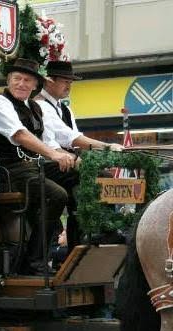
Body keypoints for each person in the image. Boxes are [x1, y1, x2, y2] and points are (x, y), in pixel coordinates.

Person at [0, 58, 76, 275]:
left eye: (27, 80)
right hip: (7, 171)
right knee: (56, 194)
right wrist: (53, 154)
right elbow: (20, 135)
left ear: (35, 85)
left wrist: (74, 159)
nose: (21, 84)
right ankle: (35, 262)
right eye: (17, 79)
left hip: (32, 167)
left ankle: (77, 245)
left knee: (75, 177)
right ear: (8, 80)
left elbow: (52, 142)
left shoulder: (34, 107)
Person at [35, 60, 123, 250]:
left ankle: (85, 237)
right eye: (64, 81)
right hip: (45, 164)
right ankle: (102, 229)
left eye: (71, 82)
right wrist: (107, 147)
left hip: (65, 161)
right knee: (98, 176)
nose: (69, 86)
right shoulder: (40, 106)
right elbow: (70, 139)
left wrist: (96, 156)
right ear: (49, 81)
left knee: (95, 178)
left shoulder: (65, 109)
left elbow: (73, 140)